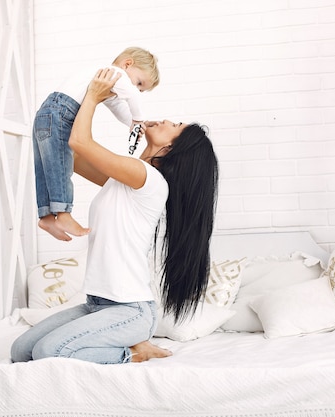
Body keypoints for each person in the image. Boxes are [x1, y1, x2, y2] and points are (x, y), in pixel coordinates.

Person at [11, 68, 218, 364]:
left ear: (173, 147)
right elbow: (74, 157)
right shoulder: (126, 176)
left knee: (48, 352)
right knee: (21, 351)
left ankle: (133, 351)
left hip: (129, 311)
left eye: (175, 125)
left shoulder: (145, 177)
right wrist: (56, 115)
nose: (165, 120)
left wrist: (93, 98)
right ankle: (132, 345)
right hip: (96, 305)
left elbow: (79, 143)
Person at [34, 47, 160, 241]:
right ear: (128, 64)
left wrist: (135, 124)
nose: (137, 90)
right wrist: (138, 119)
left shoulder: (107, 82)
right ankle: (64, 214)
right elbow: (132, 98)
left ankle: (47, 216)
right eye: (139, 83)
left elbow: (118, 107)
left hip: (46, 113)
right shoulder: (116, 74)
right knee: (60, 165)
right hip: (61, 113)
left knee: (45, 167)